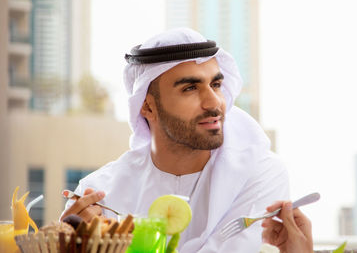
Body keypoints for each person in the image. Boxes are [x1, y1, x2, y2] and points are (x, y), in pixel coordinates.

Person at [61, 28, 289, 252]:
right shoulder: (99, 194)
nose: (213, 103)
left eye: (216, 85)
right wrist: (66, 246)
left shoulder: (259, 173)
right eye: (190, 88)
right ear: (147, 106)